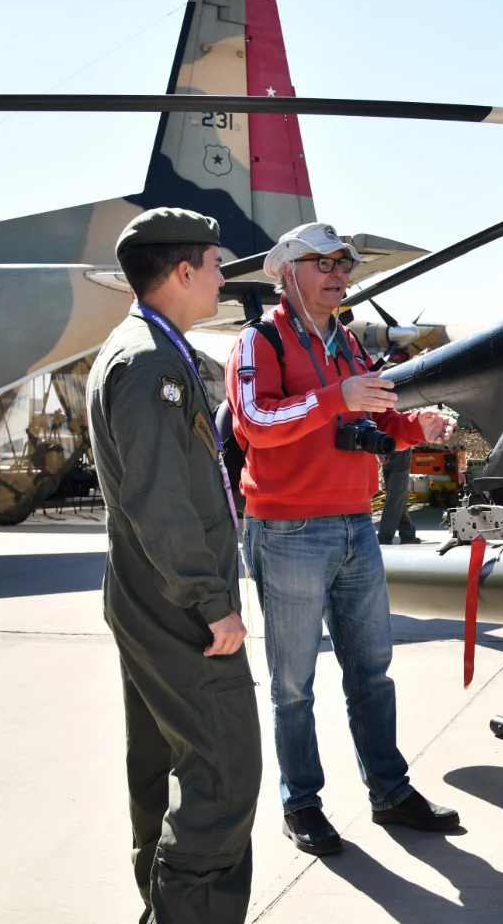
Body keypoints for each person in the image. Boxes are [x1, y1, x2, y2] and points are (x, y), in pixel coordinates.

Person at [225, 222, 459, 857]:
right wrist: (335, 398)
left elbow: (377, 419)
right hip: (288, 530)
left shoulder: (349, 347)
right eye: (322, 262)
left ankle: (389, 790)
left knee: (372, 672)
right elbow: (255, 421)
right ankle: (300, 803)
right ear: (287, 272)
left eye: (344, 263)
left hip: (356, 524)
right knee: (293, 683)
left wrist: (419, 427)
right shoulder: (259, 342)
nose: (338, 272)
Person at [85, 208, 262, 924]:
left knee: (160, 769)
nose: (223, 278)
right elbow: (158, 497)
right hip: (177, 602)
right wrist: (210, 598)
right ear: (183, 272)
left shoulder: (145, 349)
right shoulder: (149, 361)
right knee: (223, 773)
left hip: (149, 593)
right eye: (216, 264)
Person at [378, 447, 421, 545]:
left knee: (395, 499)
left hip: (397, 458)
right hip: (391, 457)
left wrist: (380, 452)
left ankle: (385, 536)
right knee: (397, 499)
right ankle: (407, 534)